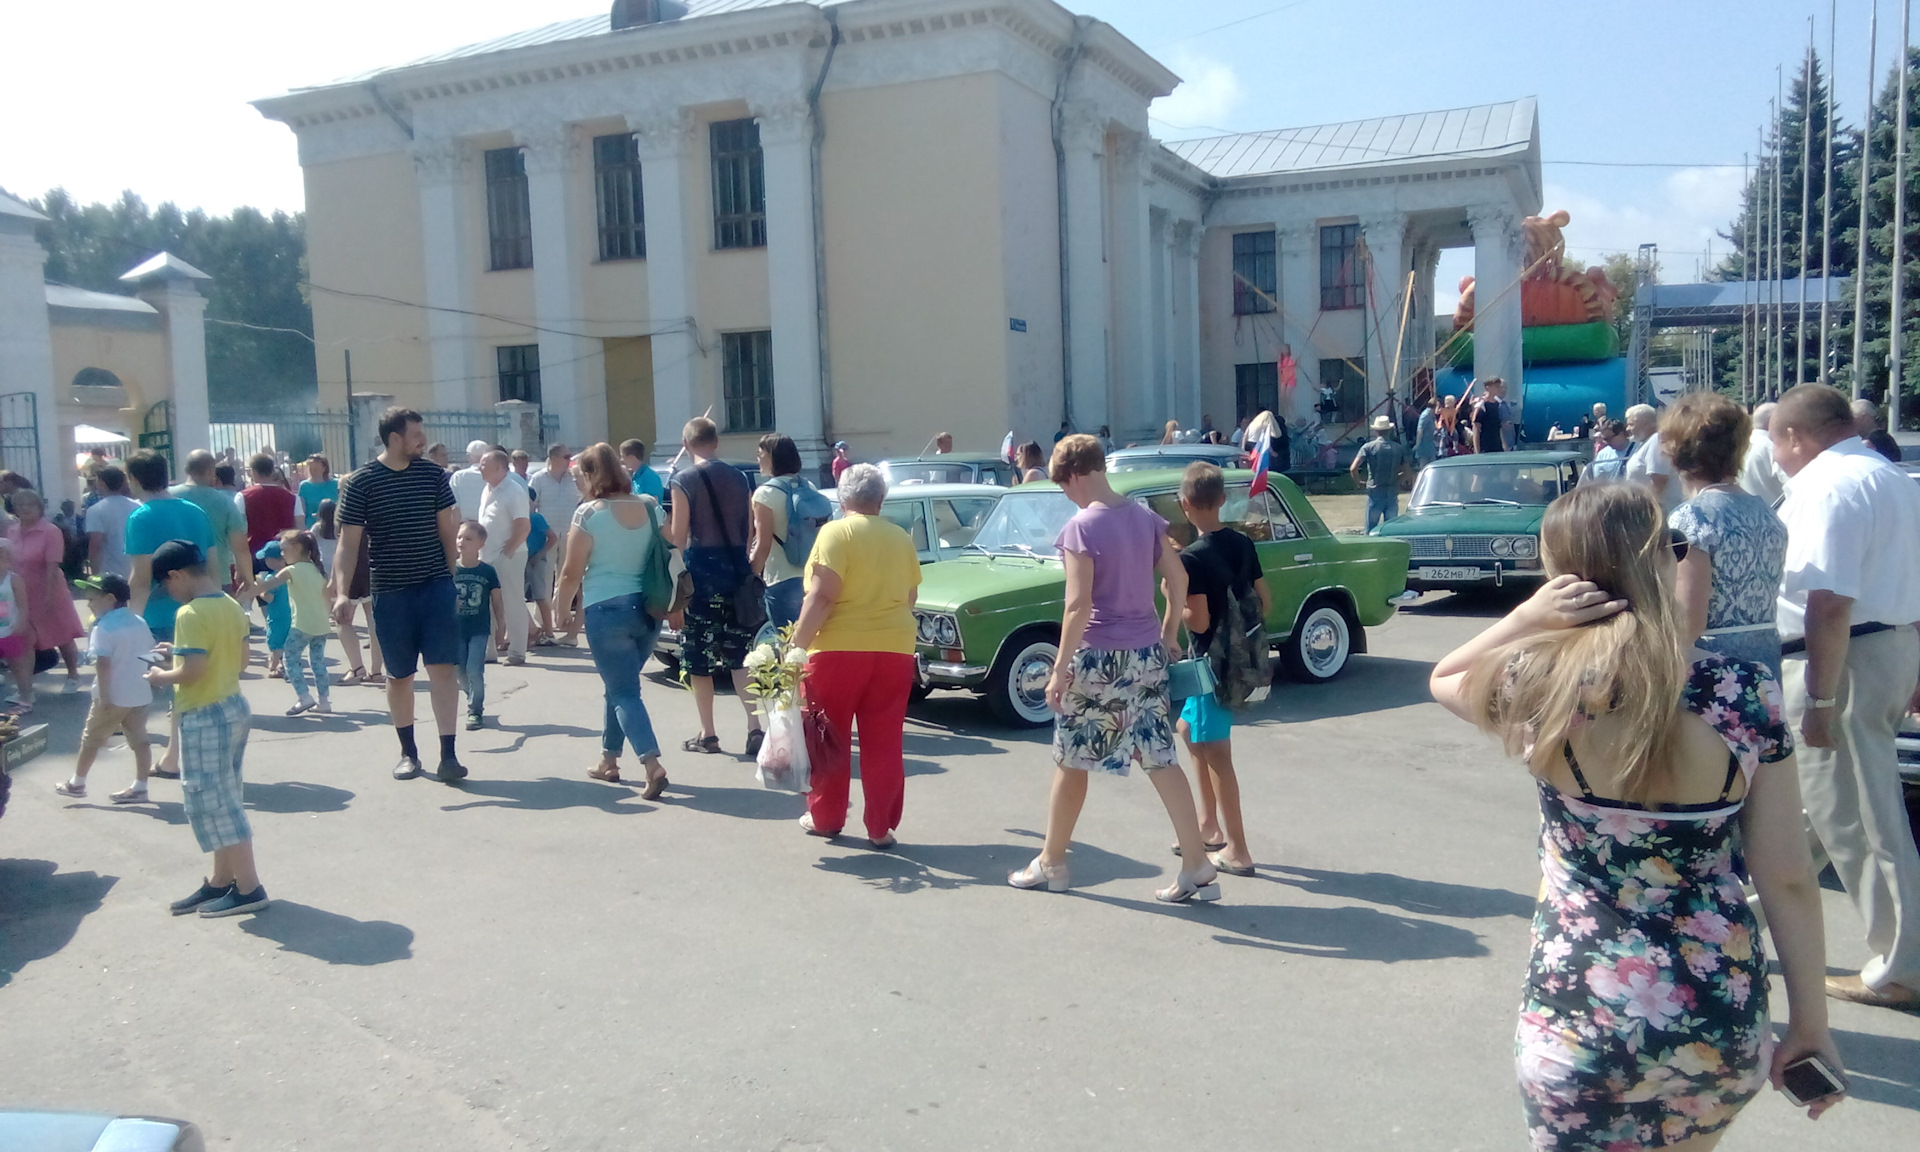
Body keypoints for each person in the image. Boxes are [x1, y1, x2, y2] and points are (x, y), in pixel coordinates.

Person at [1428, 482, 1845, 1149]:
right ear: (1659, 563)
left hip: (1578, 1015)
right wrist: (1811, 1024)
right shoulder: (1742, 691)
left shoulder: (1540, 684)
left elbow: (1445, 676)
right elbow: (1788, 879)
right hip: (1715, 1014)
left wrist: (1527, 618)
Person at [1007, 435, 1219, 902]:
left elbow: (1077, 605)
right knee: (1160, 758)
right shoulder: (1145, 518)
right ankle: (1197, 863)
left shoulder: (1081, 528)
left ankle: (1051, 861)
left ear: (1077, 474)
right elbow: (1178, 577)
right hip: (1145, 653)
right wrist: (1168, 634)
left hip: (1098, 657)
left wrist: (1060, 668)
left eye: (1064, 486)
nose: (1066, 495)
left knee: (1070, 760)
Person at [1770, 382, 1920, 1009]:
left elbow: (1828, 605)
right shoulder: (1893, 478)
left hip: (1839, 660)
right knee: (1818, 808)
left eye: (1777, 442)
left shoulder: (1828, 488)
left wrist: (1822, 703)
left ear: (1797, 437)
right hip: (1885, 648)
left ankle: (1902, 964)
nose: (1774, 456)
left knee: (1857, 817)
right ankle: (1742, 919)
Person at [789, 463, 922, 847]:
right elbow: (910, 597)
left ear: (842, 497)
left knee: (828, 737)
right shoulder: (900, 538)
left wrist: (797, 644)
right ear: (881, 499)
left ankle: (826, 817)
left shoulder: (835, 533)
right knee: (884, 741)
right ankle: (881, 828)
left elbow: (823, 594)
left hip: (836, 649)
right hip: (894, 649)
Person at [334, 407, 468, 783]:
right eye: (415, 435)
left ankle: (449, 755)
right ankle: (409, 753)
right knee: (399, 676)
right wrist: (342, 593)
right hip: (391, 592)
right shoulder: (362, 482)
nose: (423, 441)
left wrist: (452, 578)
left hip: (435, 587)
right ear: (394, 438)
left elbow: (447, 530)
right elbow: (348, 544)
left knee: (443, 669)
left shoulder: (433, 475)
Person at [146, 540, 270, 919]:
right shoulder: (230, 604)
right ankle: (221, 880)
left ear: (176, 575)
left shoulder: (190, 612)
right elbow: (240, 658)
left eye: (167, 585)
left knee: (216, 803)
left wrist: (160, 675)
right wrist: (179, 651)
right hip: (232, 705)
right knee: (226, 793)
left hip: (203, 712)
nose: (169, 593)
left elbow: (193, 672)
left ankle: (249, 887)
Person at [553, 443, 671, 797]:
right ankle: (608, 759)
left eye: (579, 478)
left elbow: (572, 571)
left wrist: (562, 609)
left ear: (591, 476)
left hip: (607, 611)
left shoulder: (589, 514)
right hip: (648, 609)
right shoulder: (651, 508)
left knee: (623, 690)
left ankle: (652, 763)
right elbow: (672, 553)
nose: (577, 485)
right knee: (619, 685)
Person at [1174, 463, 1269, 876]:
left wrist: (1170, 595)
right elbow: (1265, 599)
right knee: (1187, 731)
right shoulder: (1242, 543)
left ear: (1185, 504)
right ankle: (1208, 825)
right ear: (1222, 500)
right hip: (1236, 658)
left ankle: (1238, 849)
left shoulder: (1191, 559)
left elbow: (1196, 621)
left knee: (1219, 756)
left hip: (1207, 665)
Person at [1664, 394, 1788, 680]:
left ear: (1677, 453)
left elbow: (1687, 621)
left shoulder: (1693, 518)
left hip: (1715, 671)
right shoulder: (1765, 512)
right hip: (1766, 665)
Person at [665, 416, 764, 756]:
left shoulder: (684, 479)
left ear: (686, 443)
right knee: (740, 656)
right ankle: (754, 727)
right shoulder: (739, 477)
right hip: (737, 572)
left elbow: (679, 536)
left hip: (702, 575)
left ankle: (708, 733)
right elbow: (749, 531)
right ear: (716, 441)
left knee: (699, 660)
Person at [124, 449, 218, 778]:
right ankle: (177, 754)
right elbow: (211, 561)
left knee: (172, 683)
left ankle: (173, 756)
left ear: (134, 479)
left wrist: (131, 620)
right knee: (190, 681)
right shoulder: (194, 511)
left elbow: (140, 576)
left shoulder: (141, 516)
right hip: (200, 606)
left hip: (159, 612)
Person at [55, 574, 155, 802]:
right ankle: (141, 786)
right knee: (140, 739)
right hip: (139, 692)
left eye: (92, 599)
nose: (88, 603)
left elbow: (103, 663)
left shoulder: (103, 627)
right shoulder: (139, 621)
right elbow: (150, 652)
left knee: (91, 739)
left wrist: (104, 696)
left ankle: (76, 783)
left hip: (113, 696)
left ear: (110, 598)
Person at [7, 487, 85, 693]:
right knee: (24, 638)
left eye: (30, 504)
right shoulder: (12, 531)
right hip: (20, 593)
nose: (25, 509)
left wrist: (49, 596)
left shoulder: (51, 531)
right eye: (20, 505)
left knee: (62, 634)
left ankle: (73, 675)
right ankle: (25, 687)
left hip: (49, 589)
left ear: (39, 507)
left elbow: (53, 566)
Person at [252, 530, 332, 716]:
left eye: (283, 549)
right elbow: (327, 597)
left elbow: (268, 586)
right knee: (318, 663)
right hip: (321, 624)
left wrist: (248, 591)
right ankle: (324, 701)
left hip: (302, 624)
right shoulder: (317, 570)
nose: (282, 554)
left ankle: (304, 697)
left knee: (290, 659)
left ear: (296, 548)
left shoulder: (291, 570)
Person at [750, 434, 815, 635]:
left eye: (760, 454)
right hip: (810, 577)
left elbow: (763, 545)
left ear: (772, 457)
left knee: (787, 645)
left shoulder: (765, 494)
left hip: (780, 578)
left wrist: (750, 576)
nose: (758, 459)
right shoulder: (808, 487)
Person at [476, 449, 531, 665]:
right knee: (486, 604)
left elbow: (523, 525)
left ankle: (517, 651)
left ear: (499, 467)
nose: (480, 467)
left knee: (512, 602)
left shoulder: (514, 490)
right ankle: (489, 651)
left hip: (509, 556)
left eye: (483, 463)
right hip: (486, 555)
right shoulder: (487, 489)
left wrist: (506, 552)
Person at [172, 450, 251, 595]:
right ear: (212, 471)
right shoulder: (225, 502)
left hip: (174, 579)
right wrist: (247, 577)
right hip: (217, 577)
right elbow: (240, 546)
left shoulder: (169, 496)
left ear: (186, 469)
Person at [451, 521, 501, 731]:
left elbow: (497, 601)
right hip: (455, 630)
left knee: (474, 670)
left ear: (481, 543)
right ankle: (473, 695)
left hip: (479, 629)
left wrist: (502, 627)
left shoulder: (487, 571)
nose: (462, 541)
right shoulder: (451, 568)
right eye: (460, 537)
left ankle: (475, 711)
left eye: (468, 538)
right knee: (459, 672)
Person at [1351, 415, 1411, 530]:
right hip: (1392, 493)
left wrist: (1359, 482)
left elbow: (1353, 468)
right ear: (1389, 431)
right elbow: (1408, 472)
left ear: (1376, 431)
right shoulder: (1399, 448)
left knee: (1371, 529)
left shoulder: (1368, 447)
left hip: (1375, 492)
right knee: (1390, 529)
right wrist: (1397, 480)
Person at [238, 453, 298, 564]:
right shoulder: (293, 497)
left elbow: (239, 531)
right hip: (286, 555)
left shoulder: (243, 496)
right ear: (272, 471)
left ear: (253, 471)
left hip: (254, 555)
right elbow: (300, 529)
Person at [1621, 403, 1681, 513]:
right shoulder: (1645, 443)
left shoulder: (1657, 440)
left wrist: (1646, 509)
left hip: (1659, 512)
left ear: (1646, 424)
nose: (1627, 428)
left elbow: (1659, 481)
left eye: (1631, 424)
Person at [84, 466, 138, 579]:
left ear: (103, 483)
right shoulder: (138, 506)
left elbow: (96, 545)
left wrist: (94, 575)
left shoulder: (96, 510)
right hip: (136, 568)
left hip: (110, 572)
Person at [0, 541, 36, 712]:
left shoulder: (13, 579)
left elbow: (23, 605)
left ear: (9, 560)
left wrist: (20, 624)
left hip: (10, 630)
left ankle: (25, 699)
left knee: (17, 666)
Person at [524, 489, 559, 646]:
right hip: (522, 559)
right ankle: (530, 630)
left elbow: (552, 537)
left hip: (536, 560)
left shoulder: (536, 518)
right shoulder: (519, 518)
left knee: (540, 596)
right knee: (518, 597)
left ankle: (549, 632)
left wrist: (539, 555)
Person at [1736, 402, 1788, 504]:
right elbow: (1792, 483)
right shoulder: (1772, 447)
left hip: (1744, 512)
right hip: (1774, 514)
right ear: (1774, 421)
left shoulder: (1740, 445)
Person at [449, 439, 491, 522]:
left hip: (467, 526)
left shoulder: (458, 476)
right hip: (490, 524)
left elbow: (454, 507)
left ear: (468, 456)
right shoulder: (494, 475)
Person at [1579, 420, 1630, 485]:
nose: (1605, 442)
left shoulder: (1638, 449)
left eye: (1608, 439)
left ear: (1621, 434)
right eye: (1603, 439)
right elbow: (1597, 482)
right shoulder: (1602, 454)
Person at [298, 455, 338, 530]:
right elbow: (302, 510)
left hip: (333, 527)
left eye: (316, 469)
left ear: (324, 468)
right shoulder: (304, 486)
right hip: (311, 527)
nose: (313, 471)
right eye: (310, 469)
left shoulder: (335, 484)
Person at [1469, 378, 1508, 454]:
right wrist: (1477, 451)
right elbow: (1476, 429)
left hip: (1498, 447)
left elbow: (1500, 428)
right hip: (1485, 448)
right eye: (1497, 387)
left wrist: (1505, 446)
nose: (1499, 389)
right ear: (1488, 388)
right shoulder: (1482, 406)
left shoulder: (1498, 405)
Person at [1412, 399, 1439, 469]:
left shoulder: (1432, 415)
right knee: (1424, 466)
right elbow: (1420, 430)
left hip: (1430, 444)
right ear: (1435, 407)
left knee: (1433, 465)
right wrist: (1417, 444)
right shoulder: (1425, 416)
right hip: (1424, 445)